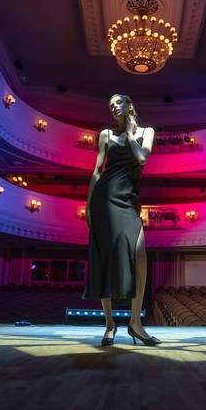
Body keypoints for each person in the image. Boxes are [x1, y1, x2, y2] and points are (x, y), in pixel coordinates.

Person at [82, 94, 161, 347]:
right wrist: (88, 205)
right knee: (104, 258)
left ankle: (135, 323)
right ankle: (109, 325)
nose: (114, 107)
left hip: (128, 199)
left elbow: (142, 158)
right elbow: (97, 171)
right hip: (104, 198)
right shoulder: (105, 134)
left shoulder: (147, 132)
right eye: (111, 105)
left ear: (129, 105)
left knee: (140, 255)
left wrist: (128, 132)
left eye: (118, 102)